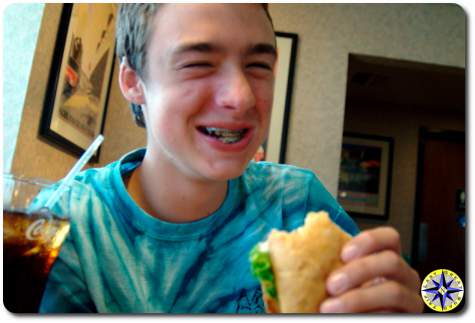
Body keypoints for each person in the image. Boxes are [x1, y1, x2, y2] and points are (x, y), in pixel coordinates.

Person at [38, 4, 422, 313]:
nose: (241, 97)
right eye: (198, 63)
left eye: (258, 66)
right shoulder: (62, 223)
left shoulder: (296, 202)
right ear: (133, 81)